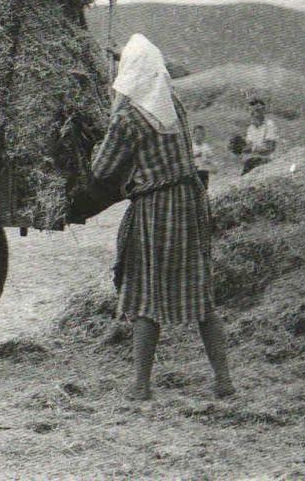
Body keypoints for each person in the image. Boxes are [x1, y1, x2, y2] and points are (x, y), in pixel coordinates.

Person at [91, 34, 234, 401]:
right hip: (191, 200)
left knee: (144, 290)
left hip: (157, 206)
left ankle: (140, 385)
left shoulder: (130, 118)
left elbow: (102, 169)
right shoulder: (174, 103)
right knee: (200, 291)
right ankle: (223, 380)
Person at [240, 97, 277, 175]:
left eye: (257, 110)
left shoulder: (269, 125)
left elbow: (269, 148)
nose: (254, 114)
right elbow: (249, 146)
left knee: (249, 166)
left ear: (263, 111)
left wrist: (252, 148)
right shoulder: (251, 128)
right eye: (252, 111)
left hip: (267, 160)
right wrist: (241, 148)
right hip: (253, 159)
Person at [191, 125, 216, 189]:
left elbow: (211, 159)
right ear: (193, 135)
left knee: (204, 189)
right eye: (197, 134)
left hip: (204, 172)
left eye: (202, 134)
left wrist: (210, 163)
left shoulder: (206, 147)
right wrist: (196, 156)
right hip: (194, 172)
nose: (199, 136)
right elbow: (188, 159)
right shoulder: (191, 147)